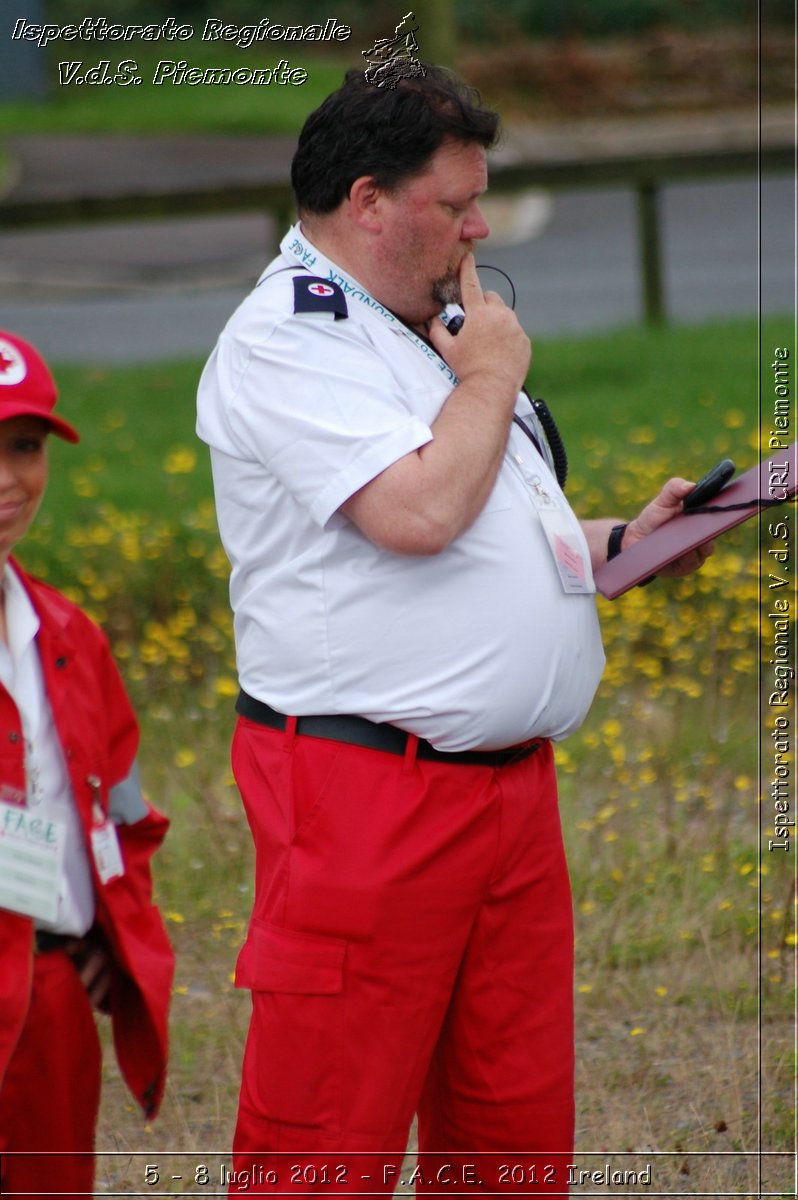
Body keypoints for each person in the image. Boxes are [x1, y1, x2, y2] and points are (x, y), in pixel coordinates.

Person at [196, 66, 710, 1192]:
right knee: (328, 1136)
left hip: (507, 796)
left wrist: (626, 541)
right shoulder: (287, 340)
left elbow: (491, 525)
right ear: (368, 201)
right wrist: (491, 372)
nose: (480, 227)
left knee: (513, 1126)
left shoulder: (422, 323)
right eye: (455, 203)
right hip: (370, 793)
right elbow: (420, 513)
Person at [0, 331, 174, 1200]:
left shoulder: (68, 638)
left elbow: (124, 815)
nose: (5, 478)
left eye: (23, 448)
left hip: (50, 1001)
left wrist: (103, 935)